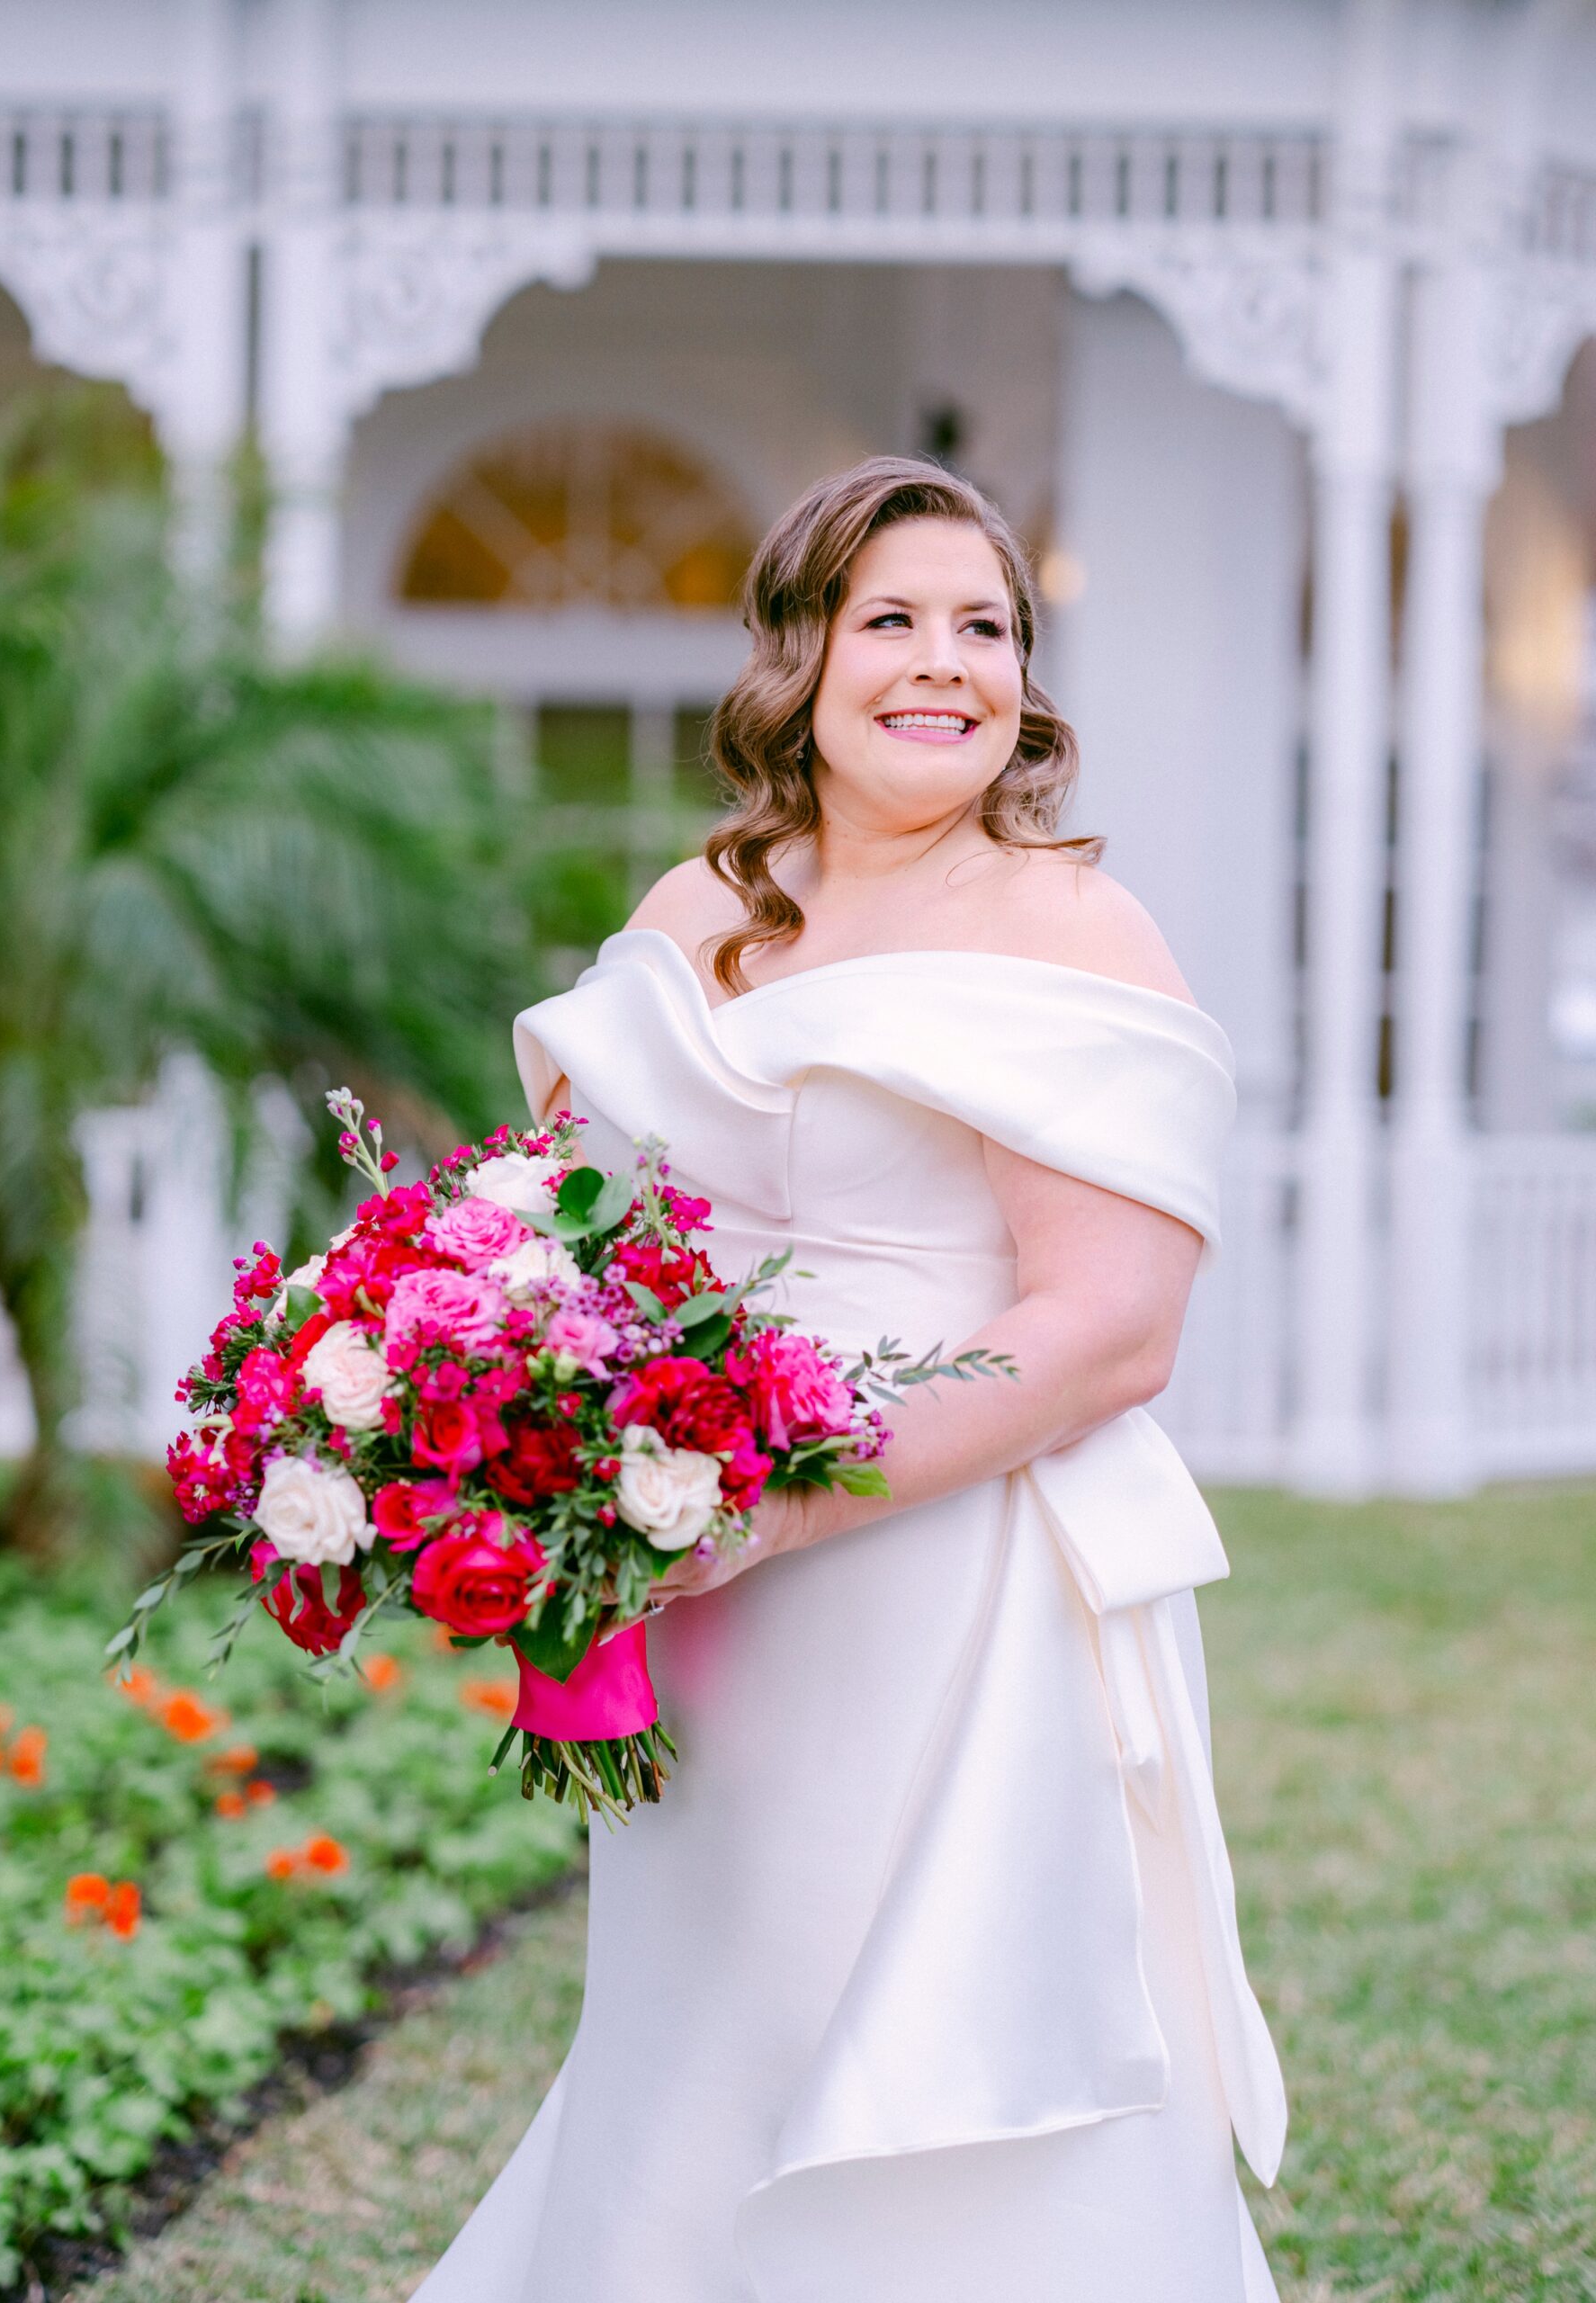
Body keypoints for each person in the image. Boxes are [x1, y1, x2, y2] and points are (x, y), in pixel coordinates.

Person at [412, 455, 1286, 2302]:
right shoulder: (701, 902)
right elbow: (561, 1222)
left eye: (986, 626)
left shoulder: (1071, 927)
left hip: (944, 1587)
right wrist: (493, 1423)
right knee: (706, 2020)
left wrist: (764, 1506)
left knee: (928, 2036)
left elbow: (1111, 1326)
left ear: (1027, 684)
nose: (944, 661)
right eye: (894, 617)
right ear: (800, 654)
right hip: (705, 1597)